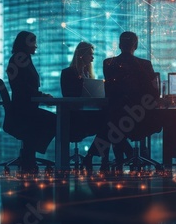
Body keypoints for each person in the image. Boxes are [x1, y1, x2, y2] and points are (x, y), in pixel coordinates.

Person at [102, 31, 161, 168]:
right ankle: (131, 155)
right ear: (136, 45)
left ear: (119, 45)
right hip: (141, 117)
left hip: (117, 117)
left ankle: (120, 159)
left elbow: (110, 92)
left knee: (111, 121)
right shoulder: (145, 65)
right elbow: (153, 93)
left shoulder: (108, 63)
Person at [6, 30, 56, 172]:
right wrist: (41, 95)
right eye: (33, 42)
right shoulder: (19, 60)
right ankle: (30, 153)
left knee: (51, 120)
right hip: (23, 111)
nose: (36, 46)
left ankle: (29, 153)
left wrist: (41, 95)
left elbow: (24, 86)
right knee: (54, 120)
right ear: (25, 44)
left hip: (25, 108)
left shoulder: (22, 59)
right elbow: (21, 87)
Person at [60, 41, 108, 170]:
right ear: (82, 55)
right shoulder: (68, 73)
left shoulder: (90, 75)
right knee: (107, 123)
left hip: (87, 114)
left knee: (108, 121)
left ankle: (95, 157)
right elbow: (68, 95)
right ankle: (96, 157)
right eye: (90, 54)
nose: (93, 58)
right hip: (75, 117)